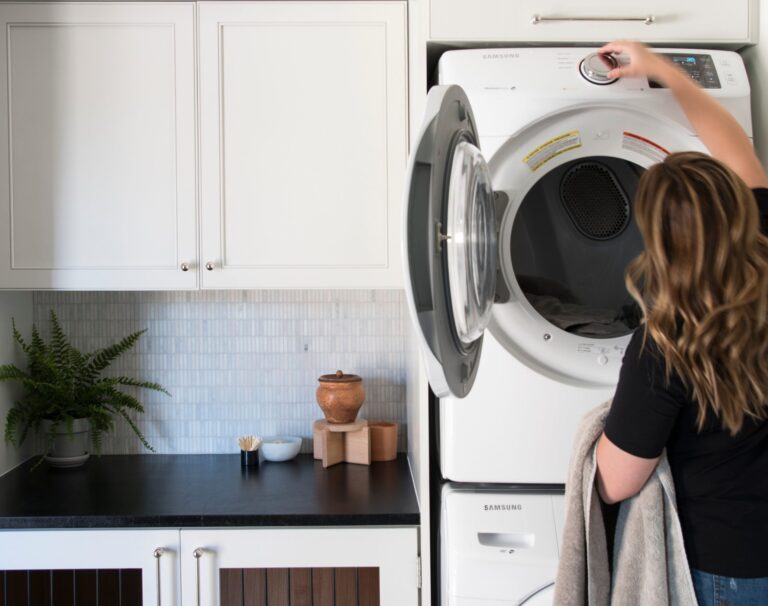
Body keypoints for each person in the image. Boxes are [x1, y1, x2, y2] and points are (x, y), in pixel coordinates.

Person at [594, 41, 768, 605]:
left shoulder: (666, 342)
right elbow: (738, 150)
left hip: (727, 566)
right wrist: (664, 69)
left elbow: (617, 482)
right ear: (738, 209)